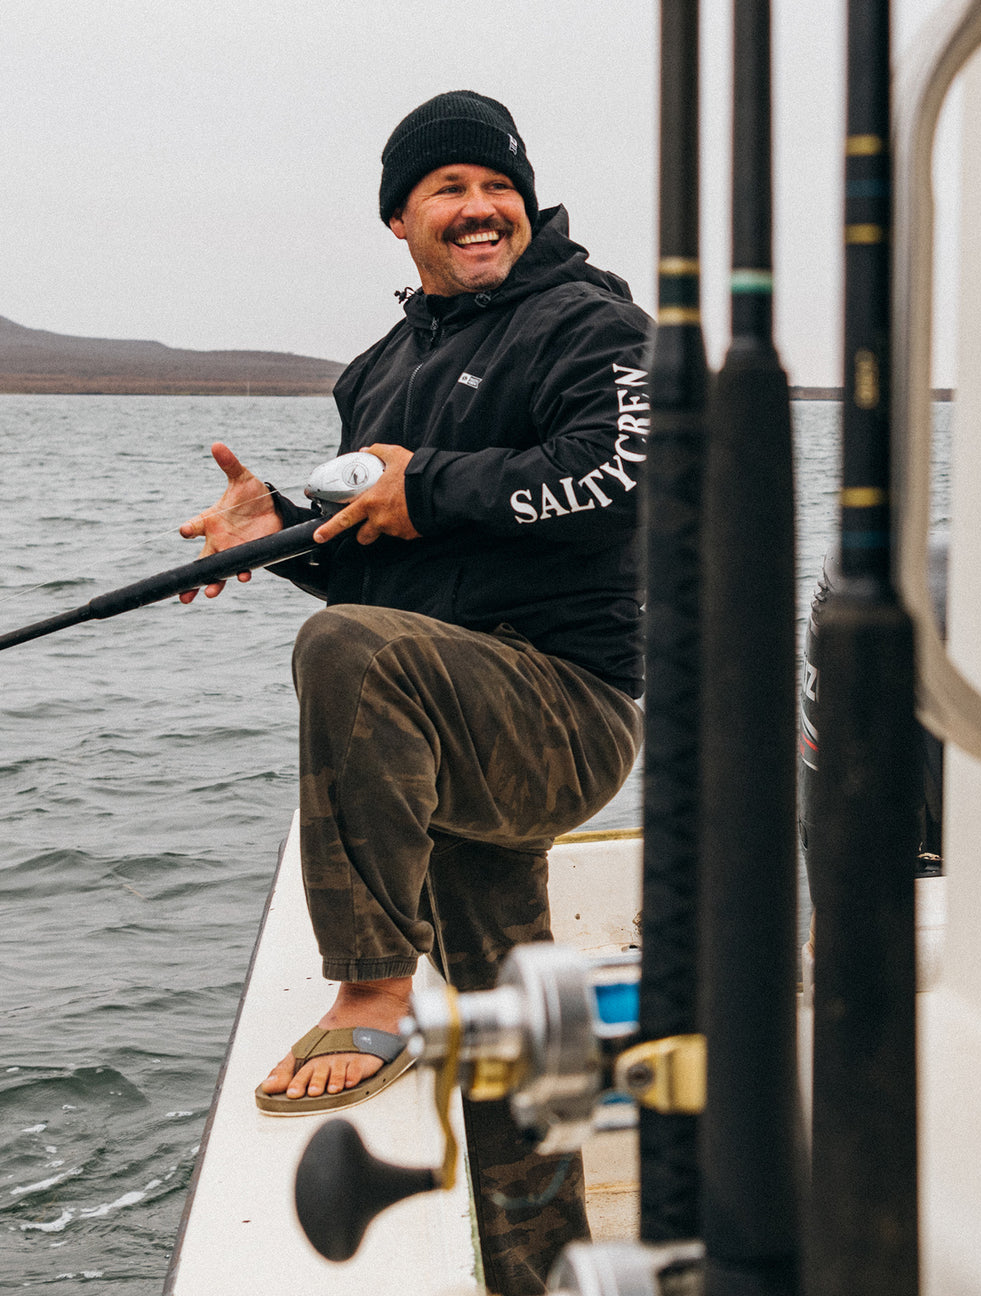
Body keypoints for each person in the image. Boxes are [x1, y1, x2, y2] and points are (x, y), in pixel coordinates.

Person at [179, 90, 650, 1294]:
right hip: (443, 709)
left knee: (348, 655)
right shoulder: (377, 372)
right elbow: (367, 563)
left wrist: (429, 483)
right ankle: (549, 1270)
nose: (478, 206)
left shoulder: (592, 324)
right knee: (510, 1009)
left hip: (560, 706)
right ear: (399, 219)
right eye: (446, 188)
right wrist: (275, 529)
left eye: (495, 186)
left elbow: (616, 476)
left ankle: (372, 989)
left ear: (524, 204)